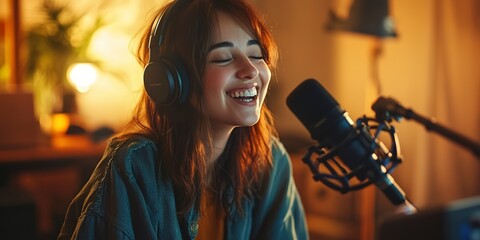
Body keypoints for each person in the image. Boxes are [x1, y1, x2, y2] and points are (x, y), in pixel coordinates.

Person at [58, 0, 308, 239]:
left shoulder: (270, 162)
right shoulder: (134, 167)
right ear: (171, 80)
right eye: (223, 58)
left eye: (255, 55)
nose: (251, 70)